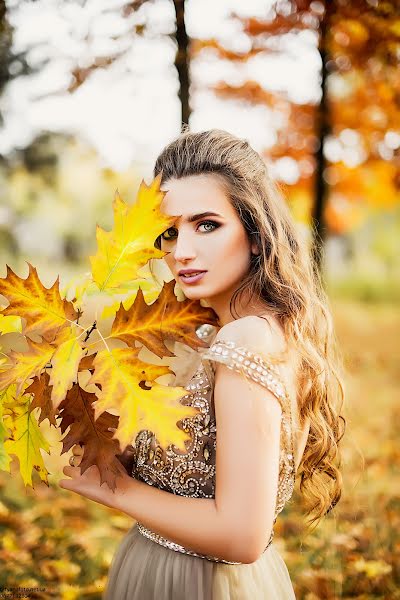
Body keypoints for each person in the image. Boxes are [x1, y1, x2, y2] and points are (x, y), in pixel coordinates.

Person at [61, 129, 345, 599]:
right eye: (170, 231)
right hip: (160, 567)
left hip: (202, 584)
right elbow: (197, 469)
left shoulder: (245, 340)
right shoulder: (227, 332)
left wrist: (110, 487)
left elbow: (241, 536)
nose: (181, 251)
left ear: (256, 235)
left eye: (207, 224)